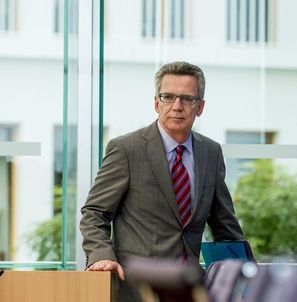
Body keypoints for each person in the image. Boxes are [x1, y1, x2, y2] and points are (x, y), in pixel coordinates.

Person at [79, 61, 244, 300]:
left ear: (200, 107)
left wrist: (243, 275)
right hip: (137, 289)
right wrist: (101, 255)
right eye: (168, 97)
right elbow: (94, 212)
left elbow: (224, 226)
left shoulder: (211, 152)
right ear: (157, 103)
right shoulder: (126, 149)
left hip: (189, 290)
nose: (177, 106)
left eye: (188, 99)